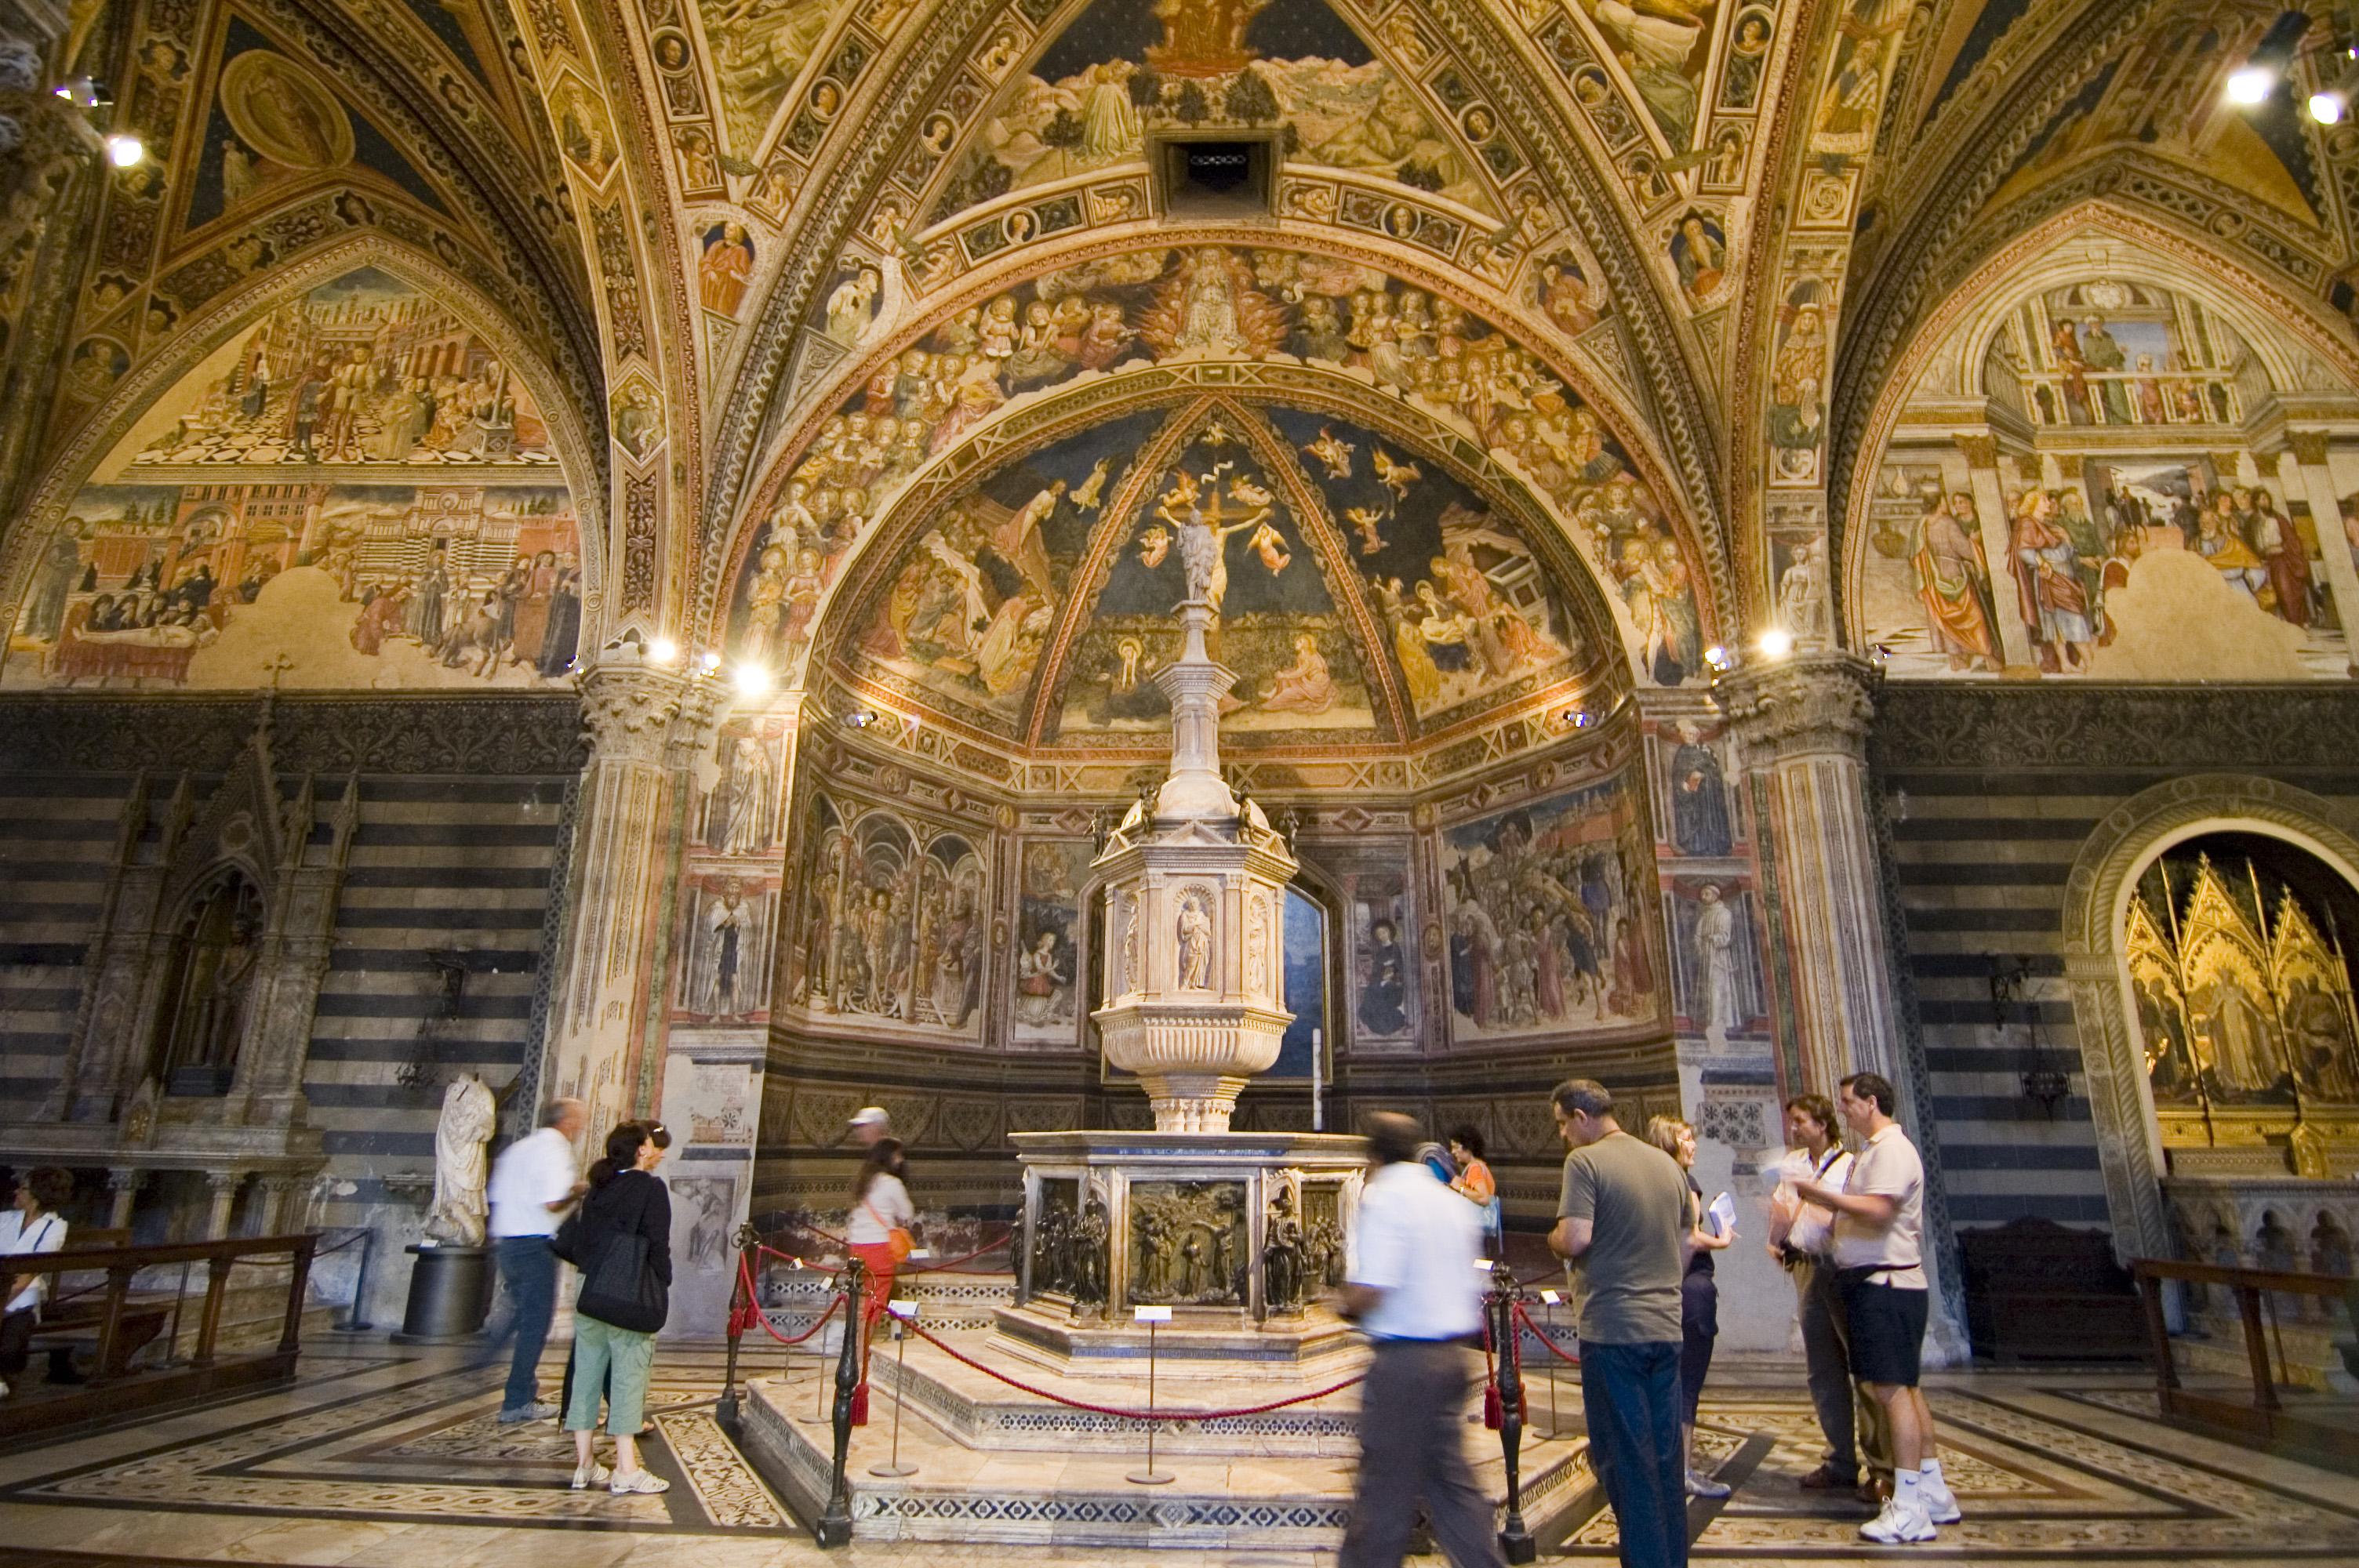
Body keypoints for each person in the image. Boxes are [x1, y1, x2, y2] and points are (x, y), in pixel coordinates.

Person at [1793, 1073, 1959, 1545]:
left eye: (1848, 1103)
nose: (1843, 1110)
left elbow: (1880, 1210)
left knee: (1891, 1394)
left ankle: (1908, 1507)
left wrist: (1819, 1195)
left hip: (1885, 1285)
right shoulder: (1880, 1149)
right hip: (1886, 1282)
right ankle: (1932, 1489)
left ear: (1871, 1102)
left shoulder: (1890, 1150)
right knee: (1905, 1389)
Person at [1336, 1112, 1505, 1568]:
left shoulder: (1384, 1196)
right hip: (1451, 1356)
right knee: (1454, 1491)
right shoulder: (1448, 1198)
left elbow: (1373, 1287)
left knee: (1384, 1496)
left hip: (1405, 1363)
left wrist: (1342, 1301)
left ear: (1372, 1155)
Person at [1550, 1079, 1690, 1568]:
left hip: (1614, 1330)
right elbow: (1688, 1240)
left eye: (1563, 1124)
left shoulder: (1585, 1162)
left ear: (1581, 1116)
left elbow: (1575, 1237)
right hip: (1667, 1326)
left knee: (1627, 1457)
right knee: (1668, 1455)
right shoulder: (1667, 1164)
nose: (1564, 1136)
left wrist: (1553, 1238)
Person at [1766, 1094, 1891, 1503]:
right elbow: (1782, 1206)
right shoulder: (1793, 1164)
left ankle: (1882, 1469)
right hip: (1806, 1268)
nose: (1795, 1128)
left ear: (1822, 1125)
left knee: (1863, 1367)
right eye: (1792, 1122)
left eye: (1801, 1121)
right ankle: (1840, 1462)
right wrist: (1776, 1240)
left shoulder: (1853, 1164)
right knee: (1822, 1369)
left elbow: (1860, 1213)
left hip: (1843, 1268)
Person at [563, 1121, 673, 1495]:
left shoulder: (600, 1185)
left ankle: (584, 1465)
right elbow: (659, 1244)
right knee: (629, 1376)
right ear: (642, 1149)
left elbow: (581, 1239)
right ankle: (626, 1469)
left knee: (587, 1372)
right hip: (627, 1287)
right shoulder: (650, 1188)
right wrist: (663, 1281)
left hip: (589, 1288)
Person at [1645, 1116, 1735, 1499]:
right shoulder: (1685, 1182)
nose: (1693, 1144)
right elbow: (1690, 1239)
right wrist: (1723, 1239)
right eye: (1686, 1138)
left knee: (1665, 1384)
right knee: (1687, 1386)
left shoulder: (1649, 1181)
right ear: (1669, 1141)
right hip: (1689, 1293)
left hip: (1657, 1294)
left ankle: (1662, 1468)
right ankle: (1679, 1472)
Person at [483, 1098, 586, 1422]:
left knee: (522, 1312)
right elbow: (553, 1202)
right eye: (579, 1121)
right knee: (535, 1323)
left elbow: (496, 1196)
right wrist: (580, 1190)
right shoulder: (555, 1150)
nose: (580, 1127)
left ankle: (487, 1360)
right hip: (534, 1245)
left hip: (508, 1243)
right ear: (567, 1122)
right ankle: (516, 1399)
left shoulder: (519, 1149)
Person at [846, 1136, 914, 1425]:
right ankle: (862, 1359)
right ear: (890, 1158)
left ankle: (856, 1344)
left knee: (860, 1298)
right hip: (878, 1249)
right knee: (875, 1302)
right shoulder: (891, 1184)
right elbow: (907, 1213)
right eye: (898, 1157)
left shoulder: (866, 1180)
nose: (901, 1161)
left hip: (856, 1247)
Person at [0, 1167, 72, 1399]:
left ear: (37, 1194)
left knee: (11, 1347)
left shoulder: (55, 1227)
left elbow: (30, 1271)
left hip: (20, 1297)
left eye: (23, 1188)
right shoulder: (5, 1219)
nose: (17, 1191)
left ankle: (8, 1386)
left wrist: (1, 1303)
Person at [1445, 1124, 1503, 1259]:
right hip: (1481, 1228)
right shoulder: (1480, 1166)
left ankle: (1486, 1277)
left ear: (1468, 1147)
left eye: (1455, 1147)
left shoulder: (1475, 1168)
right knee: (1482, 1262)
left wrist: (1459, 1187)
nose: (1453, 1152)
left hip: (1476, 1225)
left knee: (1477, 1263)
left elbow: (1483, 1198)